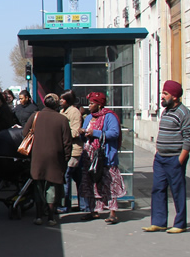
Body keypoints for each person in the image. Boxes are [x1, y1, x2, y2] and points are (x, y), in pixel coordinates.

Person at [143, 80, 190, 233]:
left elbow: (189, 138)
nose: (162, 97)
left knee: (177, 191)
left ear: (175, 96)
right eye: (162, 93)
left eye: (165, 94)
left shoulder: (184, 113)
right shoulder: (166, 111)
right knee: (158, 189)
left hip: (174, 159)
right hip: (160, 158)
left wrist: (180, 159)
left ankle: (180, 224)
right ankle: (159, 222)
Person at [23, 93, 72, 226]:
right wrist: (65, 158)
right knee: (51, 187)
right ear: (56, 104)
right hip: (55, 158)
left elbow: (24, 133)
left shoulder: (35, 116)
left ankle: (38, 216)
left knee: (38, 186)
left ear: (44, 103)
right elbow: (67, 142)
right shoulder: (62, 119)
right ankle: (51, 217)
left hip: (37, 156)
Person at [79, 91, 126, 223]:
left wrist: (95, 132)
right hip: (89, 156)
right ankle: (93, 211)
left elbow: (114, 133)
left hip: (104, 156)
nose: (89, 106)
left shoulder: (109, 116)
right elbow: (84, 133)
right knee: (91, 183)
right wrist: (82, 132)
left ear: (99, 105)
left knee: (109, 183)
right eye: (89, 103)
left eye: (92, 103)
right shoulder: (89, 117)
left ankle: (112, 213)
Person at [59, 90, 84, 212]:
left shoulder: (74, 112)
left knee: (66, 177)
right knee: (77, 178)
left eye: (62, 99)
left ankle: (65, 205)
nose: (60, 101)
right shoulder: (62, 111)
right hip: (67, 149)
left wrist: (62, 134)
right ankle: (83, 205)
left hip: (74, 150)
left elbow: (75, 131)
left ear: (68, 100)